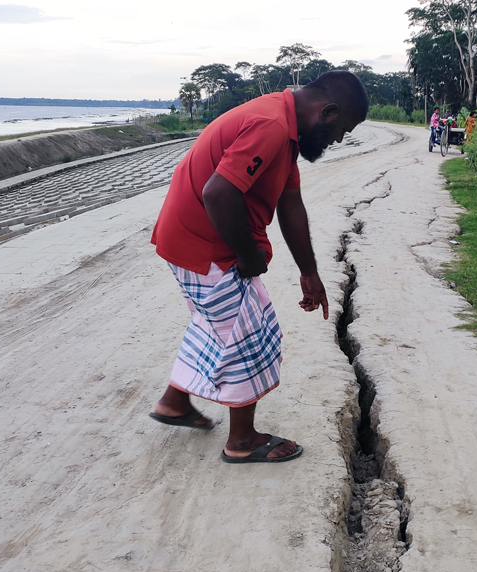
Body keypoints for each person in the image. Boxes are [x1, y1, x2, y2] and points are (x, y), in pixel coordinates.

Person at [149, 71, 369, 463]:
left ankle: (174, 402)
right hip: (206, 243)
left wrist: (309, 272)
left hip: (189, 237)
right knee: (250, 331)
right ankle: (243, 441)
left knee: (216, 322)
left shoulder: (286, 129)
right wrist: (248, 257)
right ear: (328, 111)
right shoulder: (271, 125)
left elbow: (291, 204)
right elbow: (218, 193)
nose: (338, 140)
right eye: (342, 130)